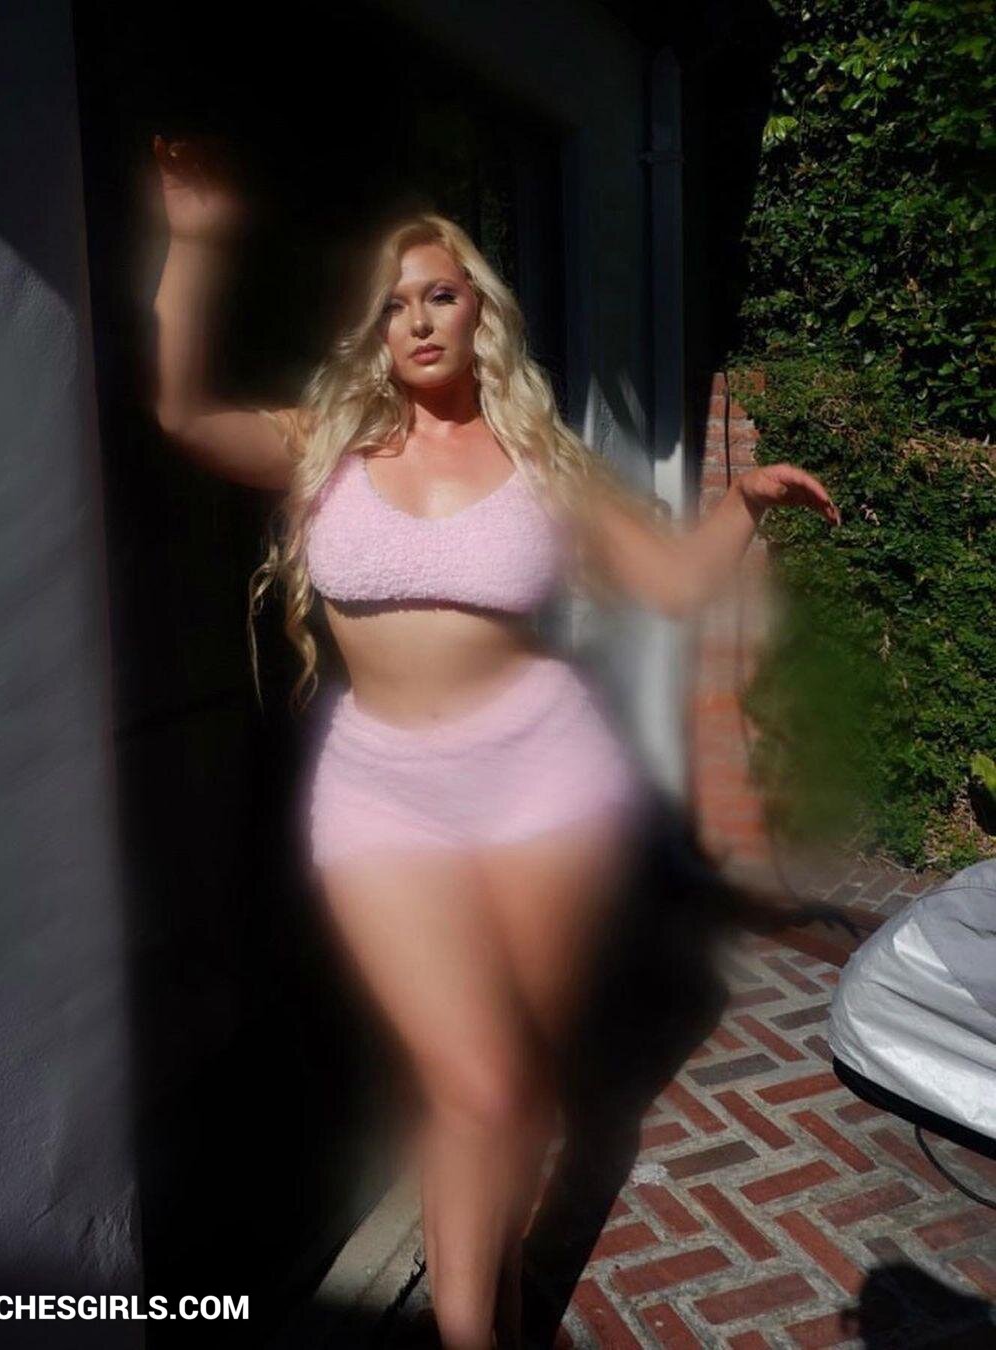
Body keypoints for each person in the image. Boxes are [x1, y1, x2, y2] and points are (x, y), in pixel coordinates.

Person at [149, 134, 841, 1350]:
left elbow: (673, 587)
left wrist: (739, 502)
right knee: (474, 1081)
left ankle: (493, 1294)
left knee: (508, 1082)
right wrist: (195, 242)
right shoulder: (325, 446)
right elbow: (184, 414)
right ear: (373, 331)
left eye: (440, 294)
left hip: (542, 784)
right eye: (394, 305)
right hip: (381, 794)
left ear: (479, 312)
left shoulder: (543, 463)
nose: (418, 320)